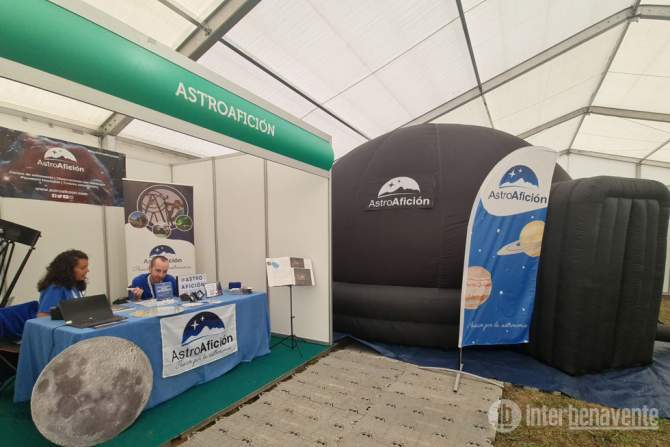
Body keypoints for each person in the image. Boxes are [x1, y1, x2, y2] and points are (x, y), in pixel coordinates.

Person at [36, 250, 89, 317]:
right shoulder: (55, 288)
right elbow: (42, 316)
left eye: (86, 267)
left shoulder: (73, 284)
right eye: (83, 268)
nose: (87, 270)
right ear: (68, 270)